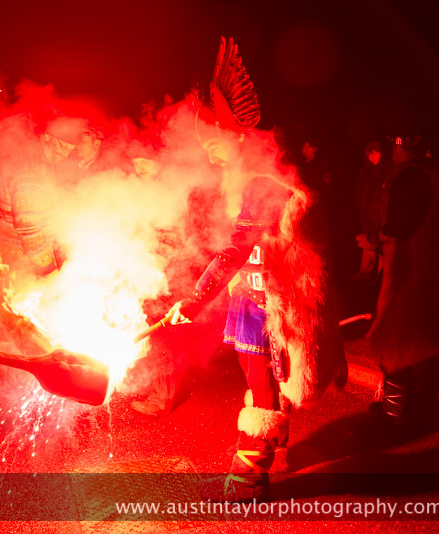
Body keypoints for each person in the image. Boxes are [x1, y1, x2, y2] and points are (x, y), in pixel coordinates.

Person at [164, 38, 346, 502]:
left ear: (241, 137)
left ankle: (248, 477)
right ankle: (274, 449)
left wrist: (196, 297)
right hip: (251, 300)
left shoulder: (264, 183)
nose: (211, 155)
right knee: (262, 383)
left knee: (263, 389)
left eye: (216, 145)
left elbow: (239, 247)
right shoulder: (249, 180)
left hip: (272, 310)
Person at [365, 134, 439, 424]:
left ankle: (394, 412)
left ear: (405, 147)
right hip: (423, 268)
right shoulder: (428, 174)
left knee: (396, 339)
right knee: (413, 337)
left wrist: (371, 238)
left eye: (395, 144)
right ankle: (414, 404)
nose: (391, 148)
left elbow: (401, 225)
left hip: (406, 269)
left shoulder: (412, 177)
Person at [0, 116, 83, 275]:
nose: (67, 154)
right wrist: (47, 269)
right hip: (20, 263)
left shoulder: (43, 163)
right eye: (63, 146)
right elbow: (28, 227)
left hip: (26, 258)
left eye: (70, 149)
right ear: (47, 138)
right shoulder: (31, 171)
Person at [353, 140, 390, 280]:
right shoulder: (364, 171)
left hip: (381, 216)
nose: (373, 156)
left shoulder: (387, 170)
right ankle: (365, 274)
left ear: (381, 153)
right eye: (370, 153)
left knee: (382, 248)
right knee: (368, 246)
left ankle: (381, 278)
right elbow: (359, 192)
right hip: (367, 215)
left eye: (376, 153)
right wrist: (361, 206)